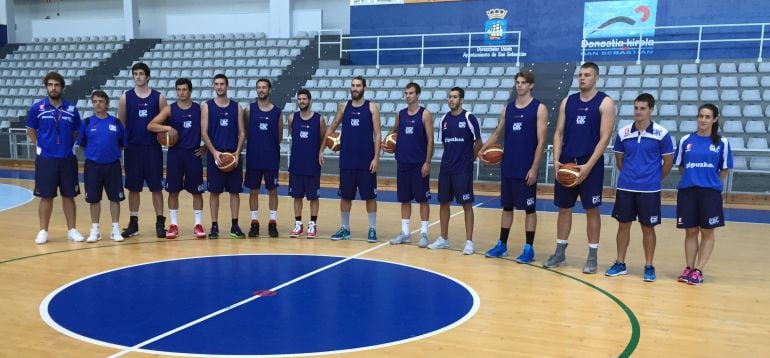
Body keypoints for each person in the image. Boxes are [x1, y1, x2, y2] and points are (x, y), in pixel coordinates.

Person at [543, 62, 616, 274]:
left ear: (596, 78)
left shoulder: (605, 103)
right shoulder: (568, 101)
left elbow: (605, 138)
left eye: (587, 75)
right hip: (567, 161)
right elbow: (558, 133)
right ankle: (560, 252)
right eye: (581, 74)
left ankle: (592, 256)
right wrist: (556, 160)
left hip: (590, 164)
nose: (582, 78)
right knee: (564, 209)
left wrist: (588, 166)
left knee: (591, 210)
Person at [480, 71, 548, 263]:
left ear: (531, 85)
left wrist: (534, 167)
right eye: (517, 82)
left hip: (526, 168)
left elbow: (541, 141)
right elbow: (497, 134)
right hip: (508, 166)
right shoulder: (507, 109)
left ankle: (529, 248)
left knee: (529, 209)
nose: (519, 85)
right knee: (507, 207)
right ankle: (502, 244)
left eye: (523, 82)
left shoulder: (539, 108)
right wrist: (483, 149)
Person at [605, 93, 674, 282]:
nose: (638, 112)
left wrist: (653, 179)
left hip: (650, 190)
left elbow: (668, 162)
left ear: (651, 109)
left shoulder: (662, 134)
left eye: (642, 108)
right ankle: (620, 263)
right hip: (626, 187)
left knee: (648, 228)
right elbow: (620, 160)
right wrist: (630, 175)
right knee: (623, 225)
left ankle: (649, 265)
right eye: (636, 108)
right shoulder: (623, 132)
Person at [673, 103, 733, 286]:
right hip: (688, 191)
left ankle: (699, 270)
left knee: (707, 231)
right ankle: (689, 268)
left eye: (707, 117)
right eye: (700, 116)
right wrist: (695, 178)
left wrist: (711, 182)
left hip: (710, 193)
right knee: (690, 231)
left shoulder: (722, 143)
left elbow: (724, 169)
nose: (703, 120)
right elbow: (681, 167)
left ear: (714, 119)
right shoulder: (686, 140)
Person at [25, 71, 85, 244]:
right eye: (50, 85)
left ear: (62, 88)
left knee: (69, 195)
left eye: (57, 85)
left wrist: (66, 146)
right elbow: (31, 130)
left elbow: (76, 132)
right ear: (46, 87)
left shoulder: (71, 109)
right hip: (46, 159)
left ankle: (72, 230)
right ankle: (43, 230)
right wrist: (39, 146)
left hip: (67, 158)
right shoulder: (37, 108)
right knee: (46, 196)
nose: (53, 88)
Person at [147, 78, 207, 239]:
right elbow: (151, 125)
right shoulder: (170, 109)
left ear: (190, 91)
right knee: (173, 191)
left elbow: (208, 129)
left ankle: (198, 224)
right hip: (175, 154)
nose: (181, 92)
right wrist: (167, 127)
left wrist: (206, 147)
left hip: (193, 154)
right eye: (179, 89)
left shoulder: (199, 109)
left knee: (197, 192)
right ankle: (173, 225)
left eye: (184, 89)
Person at [323, 76, 381, 242]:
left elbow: (377, 134)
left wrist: (376, 158)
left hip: (366, 160)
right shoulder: (343, 107)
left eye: (358, 85)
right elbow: (332, 127)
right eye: (353, 85)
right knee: (345, 197)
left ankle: (372, 228)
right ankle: (345, 228)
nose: (355, 88)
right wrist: (321, 149)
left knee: (370, 197)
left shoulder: (372, 107)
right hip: (347, 160)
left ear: (364, 88)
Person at [428, 86, 482, 255]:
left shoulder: (469, 118)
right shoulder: (444, 119)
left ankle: (469, 242)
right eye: (450, 97)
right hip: (446, 169)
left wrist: (468, 160)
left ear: (462, 99)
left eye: (455, 97)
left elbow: (478, 143)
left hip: (463, 170)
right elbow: (445, 144)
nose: (451, 100)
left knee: (467, 204)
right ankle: (443, 239)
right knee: (444, 203)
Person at [118, 62, 168, 238]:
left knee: (156, 188)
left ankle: (160, 222)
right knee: (133, 188)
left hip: (152, 148)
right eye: (135, 74)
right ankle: (133, 223)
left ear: (147, 76)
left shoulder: (159, 98)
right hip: (132, 149)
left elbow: (165, 123)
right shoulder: (125, 97)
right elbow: (121, 124)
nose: (138, 76)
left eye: (141, 74)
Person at [387, 82, 434, 248]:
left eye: (411, 93)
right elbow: (393, 132)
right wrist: (389, 142)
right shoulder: (400, 114)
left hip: (419, 164)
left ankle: (424, 233)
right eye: (406, 93)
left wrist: (427, 162)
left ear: (418, 95)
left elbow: (430, 140)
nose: (408, 95)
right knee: (404, 200)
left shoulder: (425, 114)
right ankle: (405, 233)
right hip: (403, 162)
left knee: (423, 200)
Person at [77, 90, 127, 243]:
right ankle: (95, 230)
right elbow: (82, 145)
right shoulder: (86, 123)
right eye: (95, 101)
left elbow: (122, 145)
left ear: (107, 103)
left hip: (112, 166)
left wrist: (109, 154)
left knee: (115, 199)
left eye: (101, 101)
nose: (97, 104)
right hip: (92, 166)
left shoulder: (116, 123)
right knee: (94, 199)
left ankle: (115, 229)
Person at [201, 74, 246, 239]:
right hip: (216, 156)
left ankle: (235, 225)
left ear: (227, 86)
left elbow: (242, 132)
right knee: (214, 192)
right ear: (214, 86)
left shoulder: (237, 107)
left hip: (233, 155)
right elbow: (203, 132)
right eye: (217, 84)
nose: (219, 87)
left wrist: (237, 152)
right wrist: (214, 152)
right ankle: (214, 226)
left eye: (222, 84)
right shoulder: (207, 107)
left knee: (235, 192)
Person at [244, 78, 283, 238]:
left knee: (272, 190)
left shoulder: (277, 112)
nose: (261, 90)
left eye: (264, 87)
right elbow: (246, 132)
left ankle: (272, 222)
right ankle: (254, 222)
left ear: (269, 90)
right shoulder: (249, 110)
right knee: (253, 190)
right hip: (254, 157)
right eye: (259, 87)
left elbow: (279, 136)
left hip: (271, 158)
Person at [288, 89, 326, 238]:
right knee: (296, 196)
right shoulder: (292, 118)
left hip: (312, 164)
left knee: (313, 197)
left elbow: (324, 137)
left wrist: (321, 151)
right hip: (297, 163)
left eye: (304, 99)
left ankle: (312, 224)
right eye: (299, 99)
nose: (301, 101)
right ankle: (298, 223)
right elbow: (293, 134)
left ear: (310, 101)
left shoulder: (319, 119)